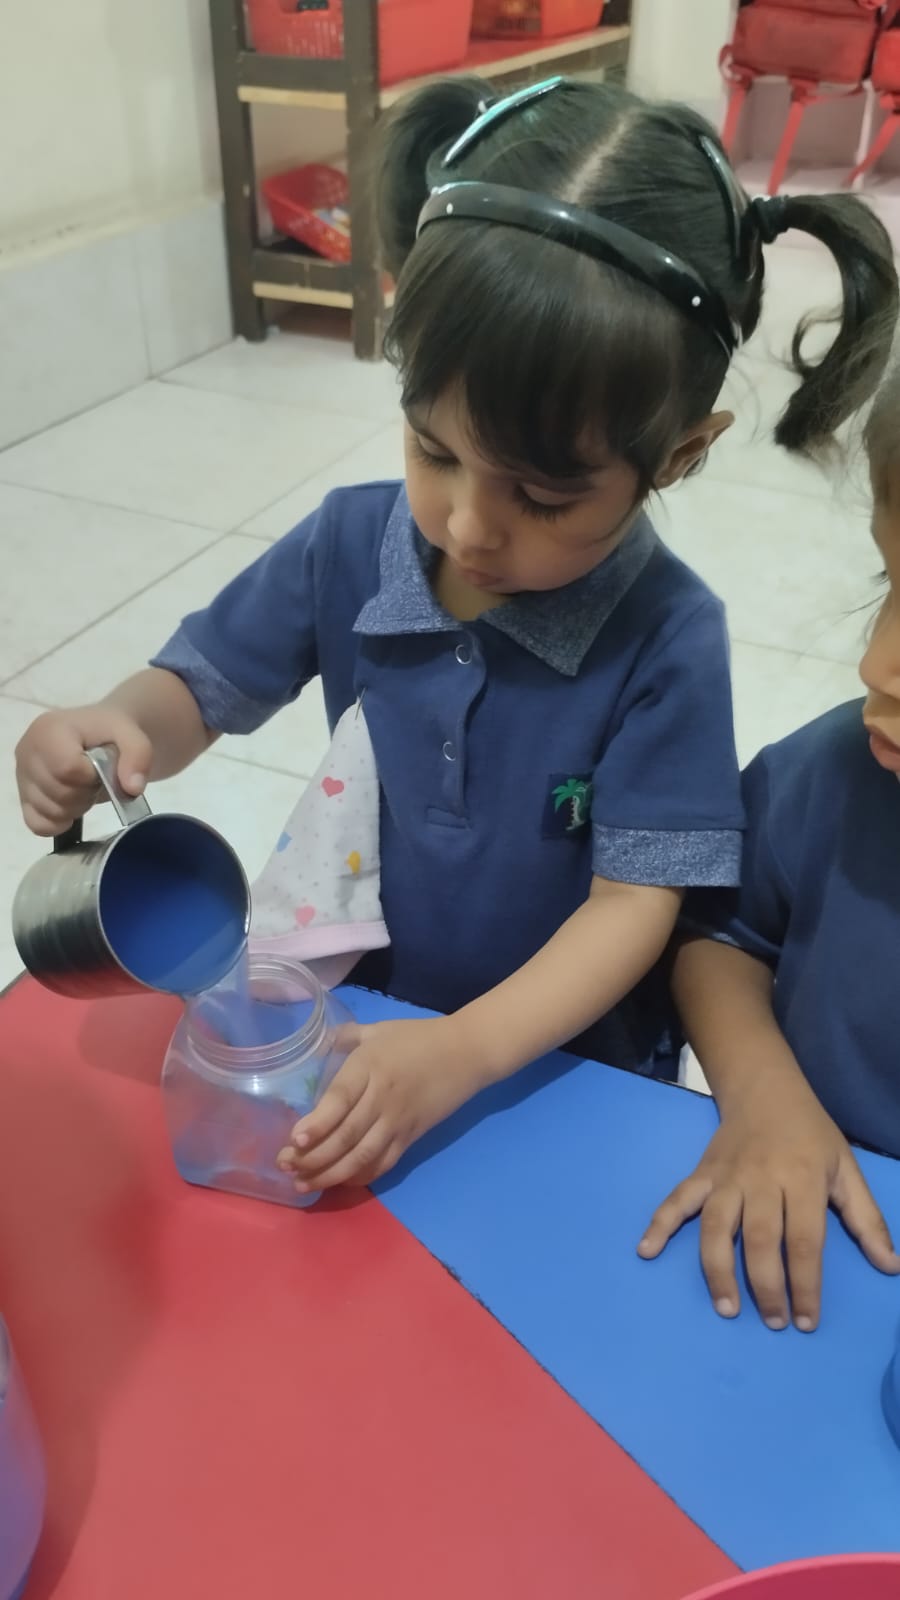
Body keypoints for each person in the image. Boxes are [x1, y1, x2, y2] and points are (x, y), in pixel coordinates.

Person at [14, 78, 897, 1195]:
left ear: (678, 453)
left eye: (543, 497)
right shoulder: (348, 542)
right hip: (374, 1015)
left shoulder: (669, 640)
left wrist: (466, 1052)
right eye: (435, 452)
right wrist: (116, 723)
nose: (470, 526)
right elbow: (194, 690)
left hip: (563, 1066)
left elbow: (636, 906)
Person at [639, 365, 900, 1335]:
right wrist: (764, 1094)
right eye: (891, 584)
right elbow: (718, 932)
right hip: (789, 1243)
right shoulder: (836, 774)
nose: (877, 664)